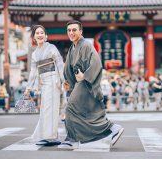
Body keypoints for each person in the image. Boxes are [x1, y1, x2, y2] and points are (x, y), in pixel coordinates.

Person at [59, 20, 124, 149]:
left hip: (87, 82)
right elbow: (68, 68)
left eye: (74, 30)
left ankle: (72, 139)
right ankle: (112, 128)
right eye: (69, 30)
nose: (71, 33)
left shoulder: (86, 45)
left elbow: (96, 64)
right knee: (84, 114)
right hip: (79, 83)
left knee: (70, 108)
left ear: (81, 31)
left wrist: (86, 76)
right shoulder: (73, 48)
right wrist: (67, 80)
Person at [24, 24, 64, 146]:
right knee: (45, 109)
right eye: (37, 33)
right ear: (34, 37)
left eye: (42, 33)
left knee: (52, 109)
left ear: (46, 36)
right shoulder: (35, 54)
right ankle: (46, 135)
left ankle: (51, 136)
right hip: (44, 82)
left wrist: (63, 80)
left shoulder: (52, 48)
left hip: (54, 80)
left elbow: (60, 64)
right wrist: (28, 87)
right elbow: (33, 72)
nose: (40, 35)